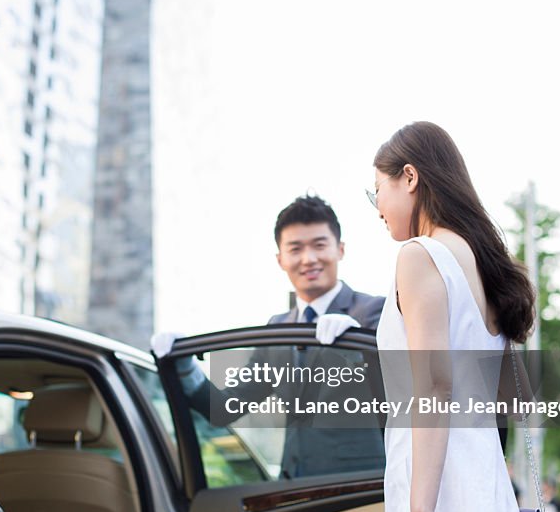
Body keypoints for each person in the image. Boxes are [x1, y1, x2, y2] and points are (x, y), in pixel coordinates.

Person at [370, 122, 535, 512]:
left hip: (443, 497)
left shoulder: (419, 256)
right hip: (485, 485)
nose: (377, 206)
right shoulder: (489, 266)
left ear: (410, 178)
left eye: (378, 190)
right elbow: (514, 398)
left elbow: (434, 388)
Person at [152, 194, 386, 478]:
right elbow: (225, 410)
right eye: (295, 248)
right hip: (292, 489)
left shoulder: (374, 312)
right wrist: (186, 365)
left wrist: (356, 343)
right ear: (280, 259)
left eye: (319, 245)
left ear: (341, 250)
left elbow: (398, 388)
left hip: (361, 489)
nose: (308, 259)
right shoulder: (276, 329)